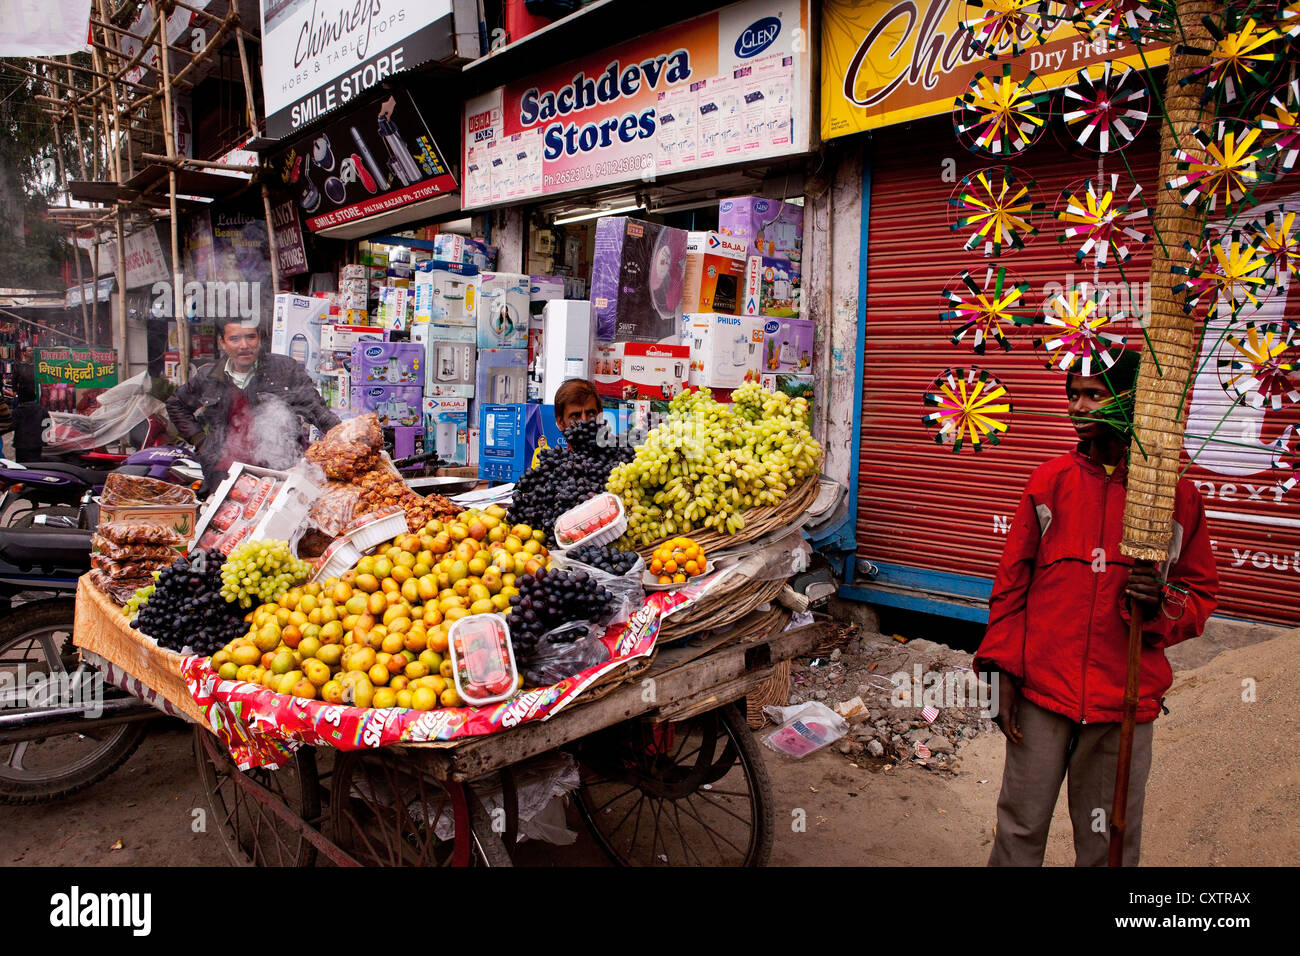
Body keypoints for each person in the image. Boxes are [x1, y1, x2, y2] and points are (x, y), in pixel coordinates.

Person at [974, 347, 1218, 867]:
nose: (1079, 407)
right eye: (1073, 396)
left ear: (1131, 401)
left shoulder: (1172, 496)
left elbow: (1198, 594)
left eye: (1095, 395)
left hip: (1122, 700)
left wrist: (1160, 605)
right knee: (1019, 825)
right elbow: (1011, 585)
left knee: (1109, 843)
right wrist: (1002, 670)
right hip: (1042, 691)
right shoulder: (1049, 483)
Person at [166, 317, 339, 492]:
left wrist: (347, 434)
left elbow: (316, 409)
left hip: (278, 473)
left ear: (259, 339)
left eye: (250, 337)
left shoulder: (284, 369)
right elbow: (176, 404)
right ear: (222, 342)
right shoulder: (208, 377)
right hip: (225, 477)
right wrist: (201, 442)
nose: (244, 345)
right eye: (234, 339)